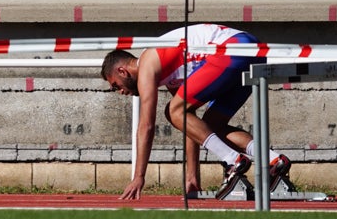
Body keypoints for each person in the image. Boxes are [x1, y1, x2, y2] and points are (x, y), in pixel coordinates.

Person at [100, 23, 291, 200]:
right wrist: (192, 177)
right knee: (210, 124)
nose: (120, 92)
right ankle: (274, 159)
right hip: (252, 49)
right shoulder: (165, 69)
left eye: (116, 85)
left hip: (231, 48)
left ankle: (233, 160)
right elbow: (187, 123)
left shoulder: (146, 65)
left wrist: (138, 176)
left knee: (172, 111)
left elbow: (146, 126)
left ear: (123, 71)